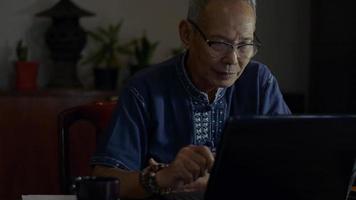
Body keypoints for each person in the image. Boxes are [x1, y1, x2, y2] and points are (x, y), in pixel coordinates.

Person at [91, 0, 291, 199]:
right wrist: (162, 178)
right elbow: (103, 182)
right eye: (219, 43)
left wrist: (220, 186)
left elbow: (292, 165)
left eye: (244, 44)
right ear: (187, 34)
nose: (232, 59)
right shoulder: (144, 89)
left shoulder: (258, 83)